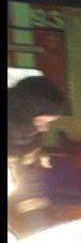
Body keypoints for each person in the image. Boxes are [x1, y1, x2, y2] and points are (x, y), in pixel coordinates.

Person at [8, 73, 64, 234]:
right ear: (23, 114)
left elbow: (30, 189)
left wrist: (39, 230)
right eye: (41, 121)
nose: (45, 128)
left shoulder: (29, 145)